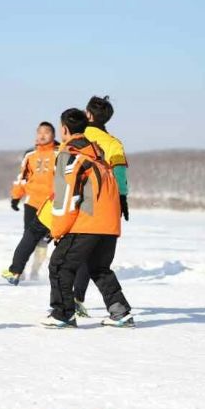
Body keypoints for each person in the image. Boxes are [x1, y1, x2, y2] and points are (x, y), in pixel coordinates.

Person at [41, 108, 133, 328]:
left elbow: (65, 199)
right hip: (109, 226)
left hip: (87, 223)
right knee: (99, 268)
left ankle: (63, 314)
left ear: (64, 129)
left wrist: (57, 230)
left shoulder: (69, 156)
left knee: (60, 264)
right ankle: (120, 313)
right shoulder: (99, 158)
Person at [73, 95, 130, 317]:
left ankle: (71, 301)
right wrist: (122, 198)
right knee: (95, 255)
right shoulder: (113, 143)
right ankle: (78, 298)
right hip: (107, 204)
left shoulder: (78, 136)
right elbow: (120, 172)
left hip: (83, 200)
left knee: (76, 252)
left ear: (88, 114)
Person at [1, 122, 57, 284]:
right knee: (29, 237)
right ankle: (20, 271)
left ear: (53, 135)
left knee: (44, 240)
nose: (42, 135)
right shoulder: (30, 155)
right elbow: (22, 178)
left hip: (51, 204)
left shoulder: (60, 153)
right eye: (39, 132)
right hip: (32, 202)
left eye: (46, 132)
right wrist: (16, 196)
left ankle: (35, 271)